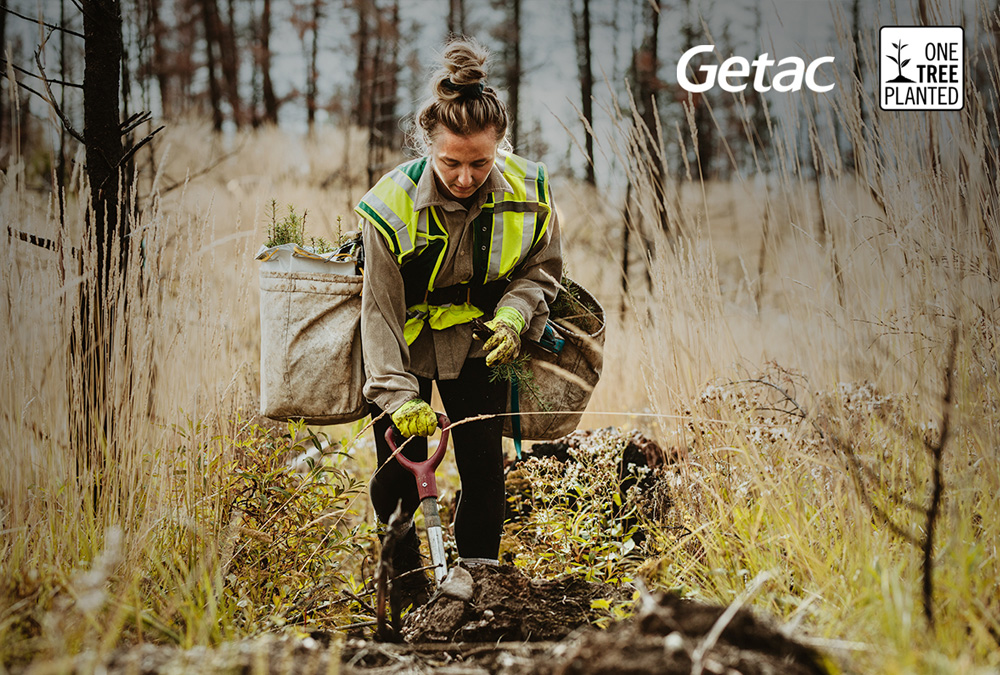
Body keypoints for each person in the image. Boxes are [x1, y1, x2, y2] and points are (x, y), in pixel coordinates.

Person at [354, 37, 562, 599]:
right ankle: (406, 597)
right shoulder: (389, 206)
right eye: (450, 163)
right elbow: (379, 313)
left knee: (485, 473)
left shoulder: (530, 192)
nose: (465, 177)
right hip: (403, 349)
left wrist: (515, 316)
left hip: (478, 342)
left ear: (500, 146)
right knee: (396, 478)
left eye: (480, 163)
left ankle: (479, 593)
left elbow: (541, 270)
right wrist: (398, 397)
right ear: (427, 145)